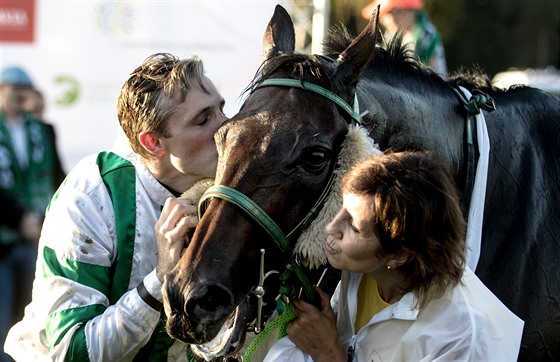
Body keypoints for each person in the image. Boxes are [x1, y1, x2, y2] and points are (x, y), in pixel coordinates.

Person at [3, 53, 228, 361]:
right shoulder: (93, 195)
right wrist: (160, 278)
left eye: (222, 109)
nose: (226, 127)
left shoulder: (231, 190)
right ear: (153, 143)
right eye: (203, 119)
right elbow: (71, 351)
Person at [264, 151, 524, 361]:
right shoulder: (365, 271)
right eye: (342, 210)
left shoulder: (460, 337)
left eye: (353, 225)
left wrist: (328, 353)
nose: (331, 228)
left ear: (400, 254)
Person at [0, 66, 66, 362]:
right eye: (12, 88)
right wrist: (19, 218)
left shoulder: (41, 130)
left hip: (35, 240)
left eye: (24, 89)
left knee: (31, 321)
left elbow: (57, 178)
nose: (19, 94)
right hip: (3, 241)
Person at [362, 0, 448, 77]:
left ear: (404, 11)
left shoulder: (426, 36)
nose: (383, 20)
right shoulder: (391, 35)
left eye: (388, 13)